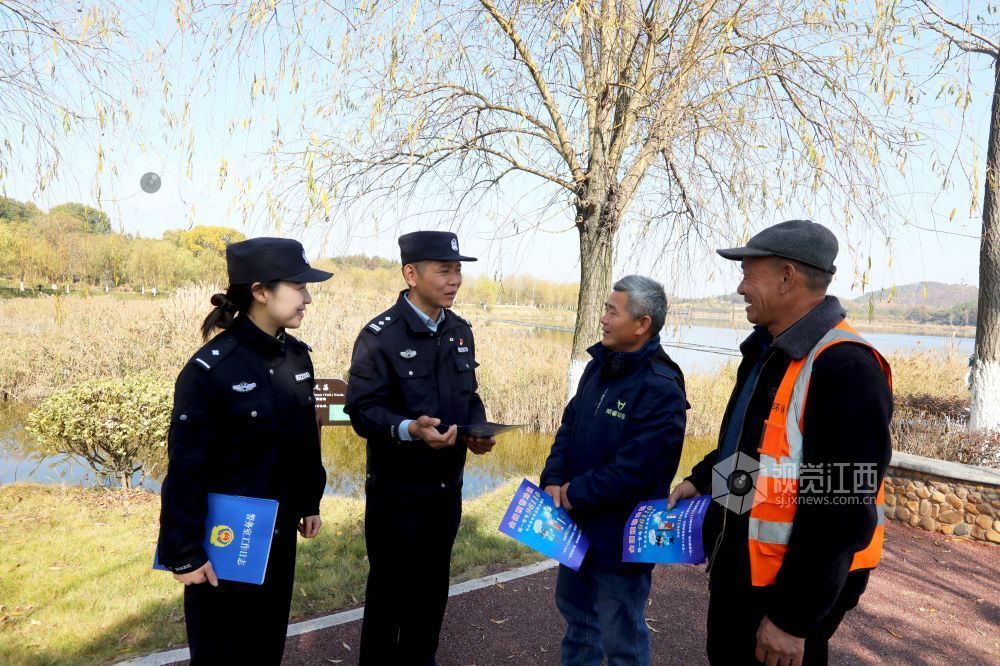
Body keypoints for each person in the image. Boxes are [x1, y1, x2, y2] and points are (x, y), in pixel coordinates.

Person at [668, 219, 893, 666]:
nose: (740, 287)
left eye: (749, 274)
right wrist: (705, 479)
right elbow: (760, 452)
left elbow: (841, 509)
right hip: (741, 581)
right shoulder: (770, 351)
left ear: (787, 276)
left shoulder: (845, 366)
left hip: (782, 599)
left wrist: (793, 619)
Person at [157, 237, 330, 664]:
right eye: (298, 286)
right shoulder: (210, 370)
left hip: (275, 537)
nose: (307, 298)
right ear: (260, 291)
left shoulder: (298, 360)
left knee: (266, 646)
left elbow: (304, 440)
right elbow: (185, 467)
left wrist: (309, 499)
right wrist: (184, 553)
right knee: (221, 654)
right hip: (223, 545)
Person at [344, 230, 495, 665]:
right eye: (444, 270)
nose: (455, 280)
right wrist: (410, 428)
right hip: (396, 494)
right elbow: (362, 410)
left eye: (458, 270)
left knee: (432, 596)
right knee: (389, 597)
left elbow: (470, 397)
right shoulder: (379, 336)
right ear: (411, 273)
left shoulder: (460, 331)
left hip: (446, 491)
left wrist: (478, 430)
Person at [540, 275, 688, 666]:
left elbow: (637, 470)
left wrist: (572, 494)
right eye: (605, 308)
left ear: (642, 324)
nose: (603, 318)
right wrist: (553, 480)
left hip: (622, 540)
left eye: (612, 311)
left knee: (622, 639)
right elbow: (569, 425)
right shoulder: (599, 366)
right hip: (575, 530)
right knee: (578, 626)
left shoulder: (661, 387)